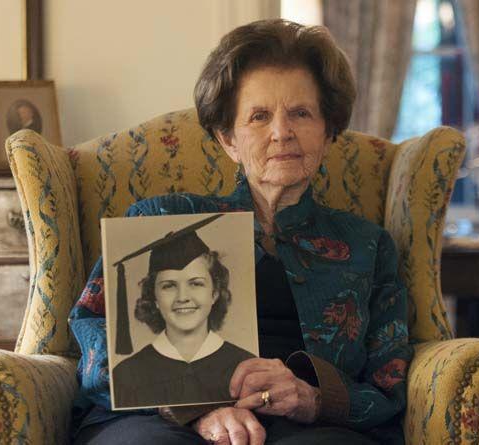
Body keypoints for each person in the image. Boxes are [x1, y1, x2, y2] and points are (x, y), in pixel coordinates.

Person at [70, 19, 413, 445]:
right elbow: (92, 328)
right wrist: (198, 408)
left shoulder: (366, 245)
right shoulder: (160, 219)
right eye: (259, 116)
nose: (281, 132)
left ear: (328, 134)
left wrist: (311, 398)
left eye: (301, 113)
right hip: (161, 416)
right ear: (228, 139)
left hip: (309, 425)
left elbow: (388, 381)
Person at [110, 214, 254, 409]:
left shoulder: (247, 365)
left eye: (196, 283)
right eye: (169, 286)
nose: (182, 297)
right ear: (154, 298)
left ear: (214, 293)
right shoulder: (126, 375)